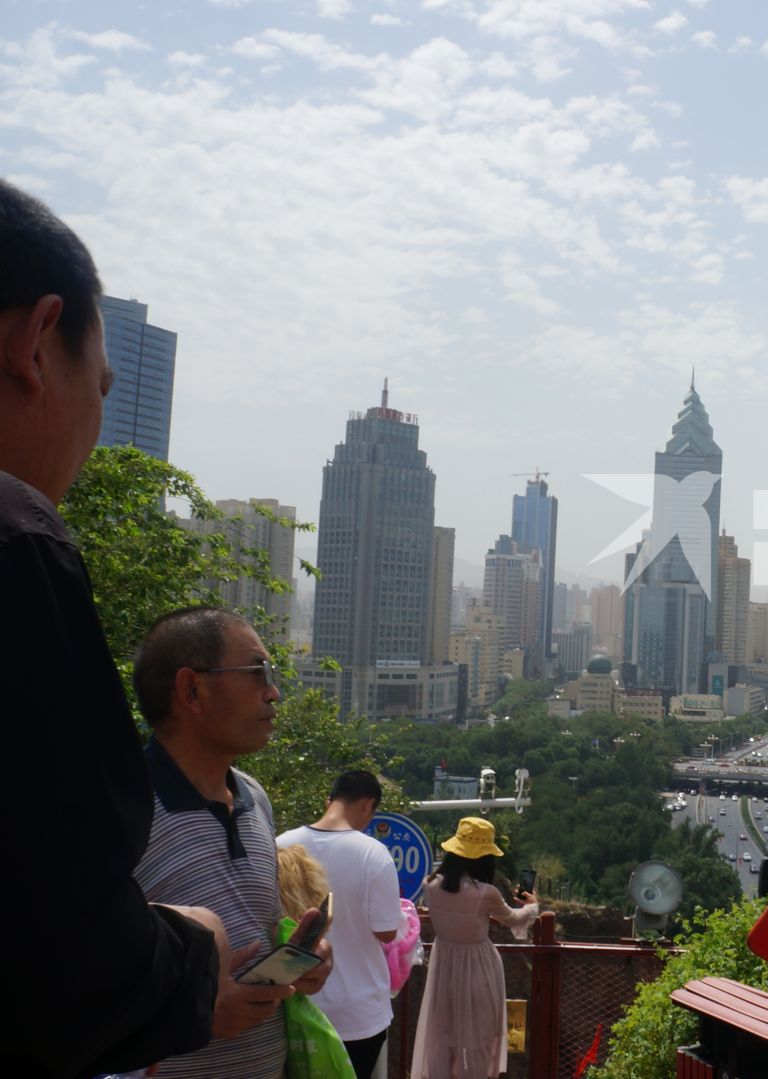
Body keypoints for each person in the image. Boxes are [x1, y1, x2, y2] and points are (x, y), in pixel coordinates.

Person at [2, 178, 242, 1077]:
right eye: (97, 384)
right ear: (34, 343)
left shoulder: (249, 808)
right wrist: (193, 951)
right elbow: (61, 963)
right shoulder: (17, 537)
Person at [131, 606, 334, 1078]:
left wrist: (303, 958)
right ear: (192, 690)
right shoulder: (118, 809)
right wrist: (190, 1007)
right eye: (256, 672)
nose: (274, 691)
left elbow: (255, 926)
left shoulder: (254, 796)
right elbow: (72, 965)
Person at [278, 770, 405, 1078]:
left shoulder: (280, 845)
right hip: (357, 1013)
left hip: (294, 1006)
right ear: (368, 804)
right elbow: (386, 932)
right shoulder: (374, 853)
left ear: (329, 800)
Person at [411, 817, 541, 1079]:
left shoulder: (429, 885)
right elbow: (514, 919)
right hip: (479, 966)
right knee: (479, 1037)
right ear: (483, 858)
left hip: (443, 963)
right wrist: (533, 905)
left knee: (441, 1033)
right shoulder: (486, 893)